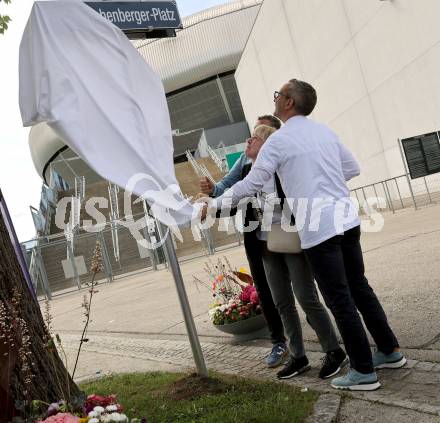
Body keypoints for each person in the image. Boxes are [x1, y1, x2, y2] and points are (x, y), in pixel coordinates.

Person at [203, 79, 406, 391]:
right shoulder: (324, 131)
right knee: (359, 288)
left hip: (319, 230)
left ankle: (364, 371)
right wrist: (320, 183)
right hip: (346, 220)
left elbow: (250, 185)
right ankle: (389, 351)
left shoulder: (278, 141)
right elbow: (351, 168)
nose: (275, 97)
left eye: (278, 94)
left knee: (339, 299)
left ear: (288, 103)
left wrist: (213, 206)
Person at [243, 124, 347, 380]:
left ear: (266, 144)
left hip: (293, 240)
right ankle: (298, 356)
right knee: (282, 302)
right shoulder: (248, 171)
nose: (248, 141)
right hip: (266, 245)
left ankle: (334, 351)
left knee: (305, 296)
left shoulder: (282, 169)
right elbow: (236, 199)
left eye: (254, 137)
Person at [199, 115, 289, 368]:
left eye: (259, 133)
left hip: (288, 231)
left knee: (301, 288)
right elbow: (228, 187)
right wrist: (212, 191)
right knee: (264, 287)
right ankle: (279, 341)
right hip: (256, 233)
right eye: (252, 132)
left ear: (273, 138)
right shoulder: (246, 161)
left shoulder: (285, 159)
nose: (250, 138)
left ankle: (322, 338)